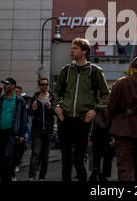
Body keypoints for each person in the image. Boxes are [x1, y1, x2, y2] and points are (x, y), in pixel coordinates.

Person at [53, 38, 110, 181]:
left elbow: (105, 95)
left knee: (78, 160)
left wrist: (95, 110)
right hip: (64, 119)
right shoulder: (65, 71)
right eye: (71, 48)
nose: (71, 51)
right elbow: (57, 93)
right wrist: (57, 106)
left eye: (75, 48)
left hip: (83, 121)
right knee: (66, 160)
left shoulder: (95, 71)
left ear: (84, 51)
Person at [0, 77, 28, 181]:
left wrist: (22, 134)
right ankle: (5, 177)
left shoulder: (20, 101)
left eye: (7, 84)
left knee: (8, 155)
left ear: (13, 86)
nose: (4, 86)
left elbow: (23, 119)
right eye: (4, 84)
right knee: (1, 157)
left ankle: (10, 176)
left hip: (12, 133)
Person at [27, 78, 55, 181]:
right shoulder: (35, 97)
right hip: (37, 130)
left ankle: (42, 176)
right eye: (43, 84)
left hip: (48, 130)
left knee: (45, 155)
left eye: (46, 84)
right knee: (35, 153)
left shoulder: (52, 97)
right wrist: (33, 109)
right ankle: (31, 176)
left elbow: (56, 113)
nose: (45, 86)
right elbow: (29, 112)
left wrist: (51, 108)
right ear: (39, 85)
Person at [88, 107, 114, 181]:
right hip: (108, 134)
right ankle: (103, 175)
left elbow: (93, 125)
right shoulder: (110, 106)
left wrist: (91, 138)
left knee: (96, 155)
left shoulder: (96, 107)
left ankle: (96, 169)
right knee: (107, 156)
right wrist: (113, 136)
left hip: (96, 134)